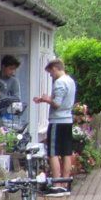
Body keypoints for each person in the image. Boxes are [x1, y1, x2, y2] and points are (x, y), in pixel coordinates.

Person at [33, 58, 76, 190]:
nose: (51, 76)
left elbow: (57, 103)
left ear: (55, 68)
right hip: (68, 120)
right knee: (66, 152)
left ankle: (57, 183)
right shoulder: (70, 81)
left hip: (57, 121)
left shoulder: (59, 82)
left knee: (53, 152)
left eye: (51, 72)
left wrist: (46, 100)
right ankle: (65, 182)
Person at [0, 55, 22, 125]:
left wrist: (0, 94)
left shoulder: (14, 81)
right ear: (3, 67)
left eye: (14, 69)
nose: (13, 72)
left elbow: (17, 99)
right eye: (10, 69)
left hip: (6, 116)